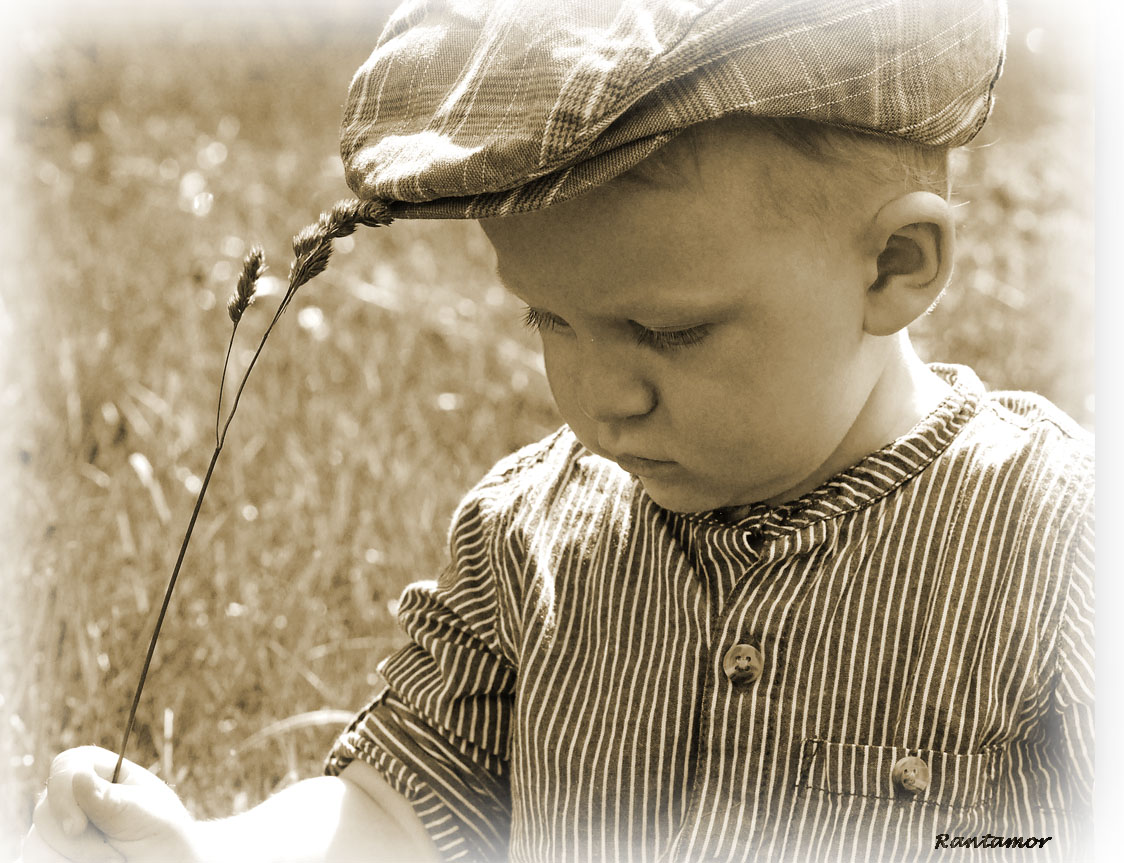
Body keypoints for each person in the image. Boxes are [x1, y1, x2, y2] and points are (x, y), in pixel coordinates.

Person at [24, 0, 1094, 861]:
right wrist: (206, 847)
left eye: (666, 331)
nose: (595, 396)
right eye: (548, 320)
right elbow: (400, 806)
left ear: (894, 265)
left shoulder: (1053, 539)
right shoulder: (527, 531)